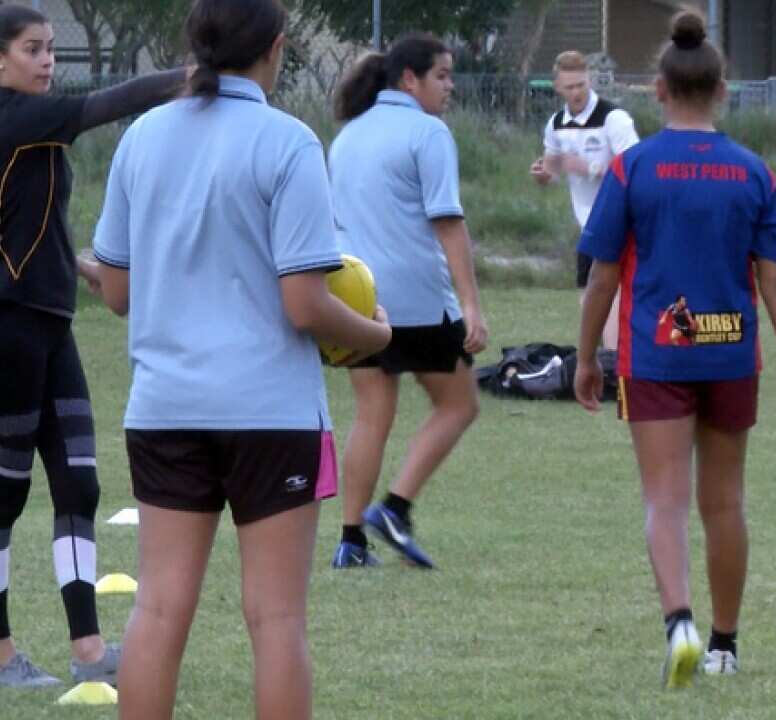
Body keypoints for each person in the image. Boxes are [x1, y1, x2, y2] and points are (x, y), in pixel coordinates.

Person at [92, 2, 390, 715]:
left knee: (158, 612)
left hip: (165, 409)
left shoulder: (143, 136)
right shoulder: (288, 142)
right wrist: (377, 335)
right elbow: (305, 304)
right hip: (272, 412)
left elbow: (116, 291)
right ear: (278, 49)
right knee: (278, 620)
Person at [574, 10, 776, 689]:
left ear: (657, 90)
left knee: (664, 503)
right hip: (730, 358)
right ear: (722, 90)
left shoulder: (632, 169)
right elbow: (775, 282)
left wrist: (587, 357)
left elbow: (601, 277)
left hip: (656, 357)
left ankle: (678, 620)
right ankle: (724, 646)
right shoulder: (754, 174)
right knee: (725, 505)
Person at [0, 4, 186, 688]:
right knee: (5, 490)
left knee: (79, 482)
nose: (47, 60)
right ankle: (0, 658)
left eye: (51, 48)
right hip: (2, 323)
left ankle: (88, 648)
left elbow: (32, 217)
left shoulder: (32, 125)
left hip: (48, 320)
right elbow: (101, 105)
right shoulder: (7, 115)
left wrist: (77, 265)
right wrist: (191, 76)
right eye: (33, 49)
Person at [326, 35, 489, 570]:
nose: (449, 87)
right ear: (409, 80)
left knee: (372, 414)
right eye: (442, 76)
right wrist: (471, 304)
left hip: (356, 297)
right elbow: (448, 222)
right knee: (461, 404)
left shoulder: (348, 135)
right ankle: (394, 507)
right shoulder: (427, 132)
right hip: (417, 300)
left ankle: (350, 541)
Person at [531, 50, 640, 350]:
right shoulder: (555, 124)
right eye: (570, 87)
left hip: (621, 221)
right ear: (557, 87)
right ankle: (606, 360)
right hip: (587, 224)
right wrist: (543, 174)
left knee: (613, 292)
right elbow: (553, 168)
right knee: (589, 292)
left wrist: (590, 168)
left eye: (581, 84)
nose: (576, 92)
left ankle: (615, 361)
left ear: (589, 80)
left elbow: (636, 171)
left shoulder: (613, 119)